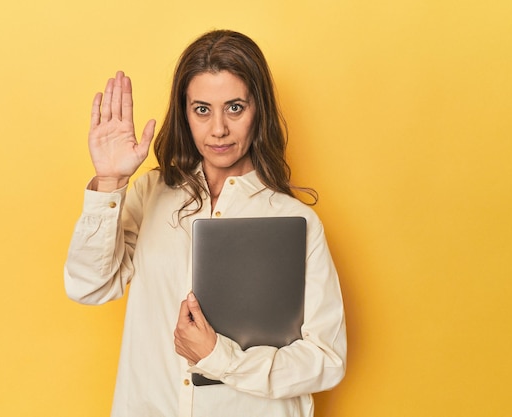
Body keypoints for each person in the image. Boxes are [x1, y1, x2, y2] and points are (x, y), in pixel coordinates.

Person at [64, 29, 346, 417]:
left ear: (257, 110)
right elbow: (87, 286)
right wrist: (110, 183)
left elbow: (327, 359)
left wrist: (220, 358)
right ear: (185, 112)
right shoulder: (150, 194)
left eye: (234, 108)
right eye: (202, 109)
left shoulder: (295, 221)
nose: (218, 129)